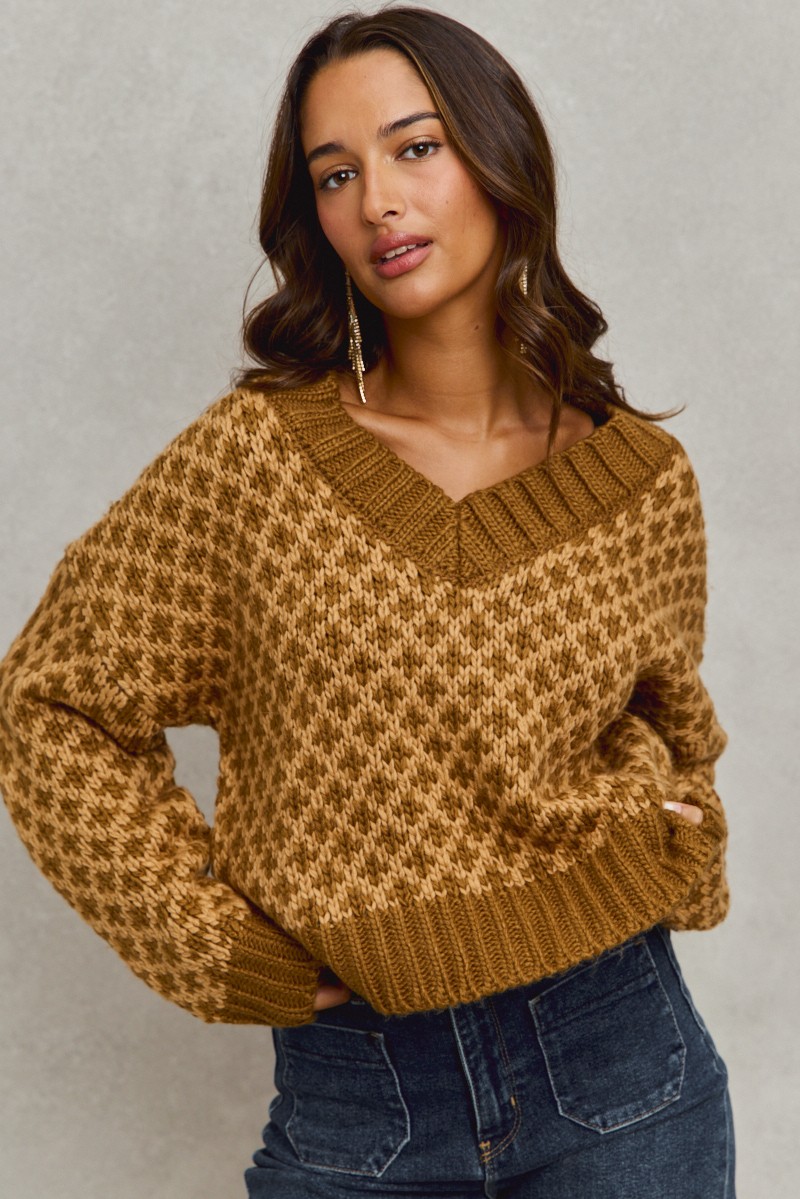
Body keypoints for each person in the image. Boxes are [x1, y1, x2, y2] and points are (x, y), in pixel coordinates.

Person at [0, 4, 735, 1196]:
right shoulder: (253, 466)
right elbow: (49, 699)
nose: (377, 202)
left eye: (415, 147)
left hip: (622, 1061)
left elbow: (673, 721)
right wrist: (207, 940)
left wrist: (680, 836)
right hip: (358, 1097)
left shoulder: (639, 480)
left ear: (497, 157)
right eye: (335, 174)